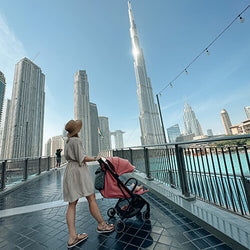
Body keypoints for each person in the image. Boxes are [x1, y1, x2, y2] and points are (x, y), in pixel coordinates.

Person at [63, 120, 114, 249]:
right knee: (91, 198)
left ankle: (72, 237)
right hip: (79, 171)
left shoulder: (67, 141)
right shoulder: (76, 141)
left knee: (72, 203)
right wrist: (95, 158)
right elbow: (82, 157)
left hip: (69, 171)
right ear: (76, 130)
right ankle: (102, 225)